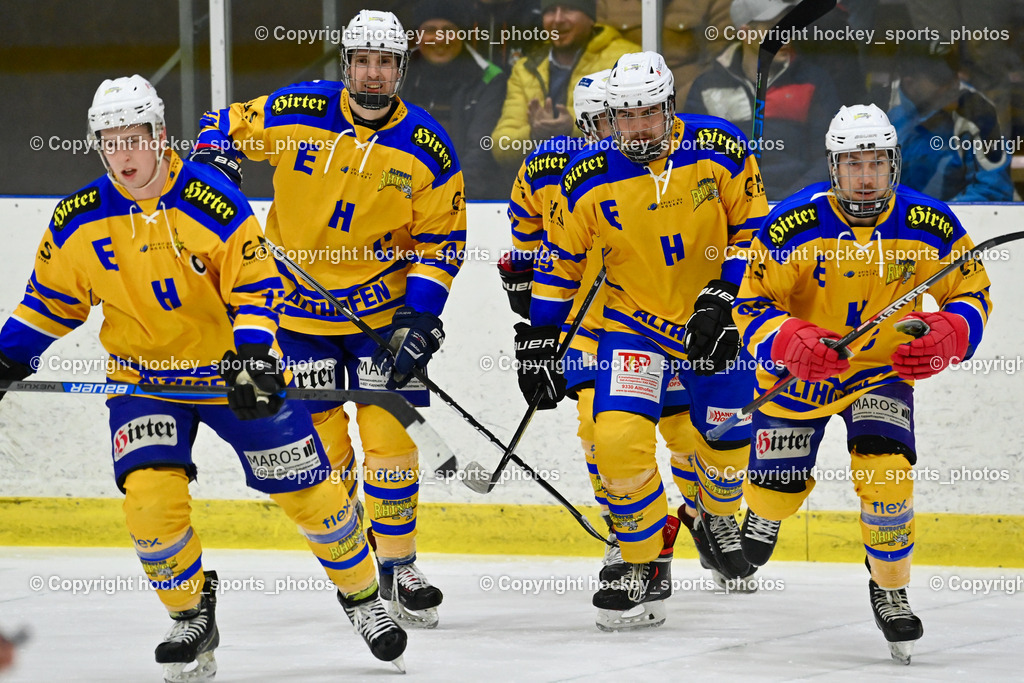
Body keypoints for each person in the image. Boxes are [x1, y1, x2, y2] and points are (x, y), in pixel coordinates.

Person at [0, 75, 407, 679]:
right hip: (144, 381)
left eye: (134, 138)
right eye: (109, 142)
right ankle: (192, 615)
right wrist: (8, 357)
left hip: (232, 374)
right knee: (149, 502)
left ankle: (364, 599)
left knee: (309, 493)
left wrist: (252, 356)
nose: (124, 155)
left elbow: (258, 288)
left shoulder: (213, 201)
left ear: (160, 135)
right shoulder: (78, 217)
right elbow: (51, 304)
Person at [193, 9, 466, 630]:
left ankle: (401, 565)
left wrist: (420, 320)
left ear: (402, 69)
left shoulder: (427, 146)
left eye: (387, 63)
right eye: (363, 61)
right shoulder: (295, 112)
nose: (374, 75)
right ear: (346, 65)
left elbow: (441, 241)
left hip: (380, 320)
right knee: (326, 452)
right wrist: (216, 164)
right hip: (295, 316)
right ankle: (364, 566)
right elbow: (221, 126)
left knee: (392, 445)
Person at [516, 51, 770, 630]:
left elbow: (754, 229)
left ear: (669, 108)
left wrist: (727, 296)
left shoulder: (722, 148)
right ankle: (642, 562)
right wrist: (538, 338)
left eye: (647, 114)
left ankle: (715, 513)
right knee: (617, 442)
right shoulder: (585, 176)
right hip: (633, 330)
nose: (635, 128)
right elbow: (558, 263)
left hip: (715, 328)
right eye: (624, 116)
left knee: (726, 440)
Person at [733, 104, 993, 663]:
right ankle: (763, 509)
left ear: (894, 163)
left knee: (888, 479)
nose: (867, 176)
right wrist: (787, 340)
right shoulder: (793, 223)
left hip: (880, 374)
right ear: (834, 167)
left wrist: (952, 329)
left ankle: (891, 586)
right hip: (799, 377)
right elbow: (751, 304)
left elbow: (972, 293)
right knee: (777, 496)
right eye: (854, 164)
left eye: (876, 162)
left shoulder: (930, 222)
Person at [684, 0, 841, 200]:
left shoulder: (813, 80)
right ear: (745, 33)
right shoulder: (707, 86)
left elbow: (828, 157)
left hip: (798, 206)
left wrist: (791, 202)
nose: (785, 36)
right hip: (731, 207)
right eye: (774, 28)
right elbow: (693, 159)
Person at [490, 0, 638, 170]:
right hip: (544, 189)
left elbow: (638, 127)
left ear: (591, 18)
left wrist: (573, 128)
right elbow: (500, 146)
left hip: (608, 181)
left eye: (569, 9)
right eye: (551, 11)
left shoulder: (625, 59)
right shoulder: (524, 68)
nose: (558, 19)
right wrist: (533, 135)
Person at [402, 0, 509, 199]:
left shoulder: (490, 79)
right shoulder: (398, 73)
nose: (440, 38)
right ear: (418, 36)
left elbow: (480, 154)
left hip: (465, 199)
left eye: (449, 29)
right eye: (430, 30)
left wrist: (444, 197)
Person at [887, 40, 1013, 202]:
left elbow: (995, 189)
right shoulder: (881, 108)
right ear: (910, 83)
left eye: (954, 73)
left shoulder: (976, 111)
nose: (953, 84)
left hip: (955, 220)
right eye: (940, 79)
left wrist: (937, 214)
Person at [597, 0, 733, 106]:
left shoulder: (711, 3)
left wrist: (675, 102)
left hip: (689, 100)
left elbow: (722, 59)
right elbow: (598, 52)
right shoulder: (608, 3)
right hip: (624, 98)